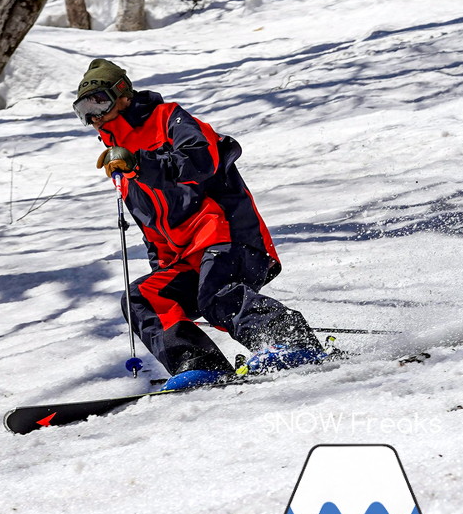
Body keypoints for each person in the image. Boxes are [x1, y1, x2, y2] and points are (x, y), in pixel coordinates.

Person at [72, 58, 324, 379]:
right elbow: (153, 227)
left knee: (216, 294)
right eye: (82, 111)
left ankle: (289, 341)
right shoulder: (120, 155)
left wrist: (142, 163)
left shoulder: (168, 119)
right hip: (187, 256)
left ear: (123, 95)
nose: (93, 116)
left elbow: (201, 159)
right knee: (143, 298)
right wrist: (164, 271)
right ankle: (199, 365)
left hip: (228, 235)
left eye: (99, 103)